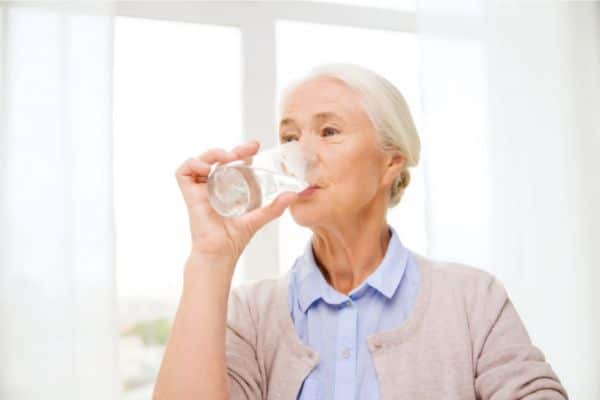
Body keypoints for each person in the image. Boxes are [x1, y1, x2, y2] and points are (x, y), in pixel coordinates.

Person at [153, 63, 568, 399]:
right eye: (290, 136)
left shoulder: (473, 299)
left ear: (390, 163)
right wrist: (211, 257)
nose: (300, 155)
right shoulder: (251, 314)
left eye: (329, 131)